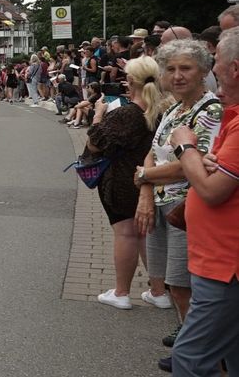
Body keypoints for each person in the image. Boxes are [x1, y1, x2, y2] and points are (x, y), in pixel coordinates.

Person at [132, 40, 221, 369]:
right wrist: (144, 189)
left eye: (186, 68)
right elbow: (153, 151)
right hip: (160, 201)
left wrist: (144, 177)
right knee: (171, 283)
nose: (178, 75)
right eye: (171, 69)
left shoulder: (209, 110)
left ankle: (199, 352)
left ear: (204, 72)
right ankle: (188, 344)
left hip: (185, 207)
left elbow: (191, 163)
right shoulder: (173, 108)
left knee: (184, 283)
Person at [168, 28, 239, 375]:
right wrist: (202, 159)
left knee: (190, 360)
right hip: (218, 260)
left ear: (235, 68)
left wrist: (185, 147)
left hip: (226, 266)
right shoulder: (232, 115)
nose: (215, 71)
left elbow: (212, 191)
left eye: (217, 63)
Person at [85, 55, 167, 310]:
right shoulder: (163, 110)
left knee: (126, 233)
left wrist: (98, 114)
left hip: (121, 180)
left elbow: (95, 144)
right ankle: (158, 290)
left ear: (130, 81)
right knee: (144, 234)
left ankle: (121, 292)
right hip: (148, 179)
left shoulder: (126, 114)